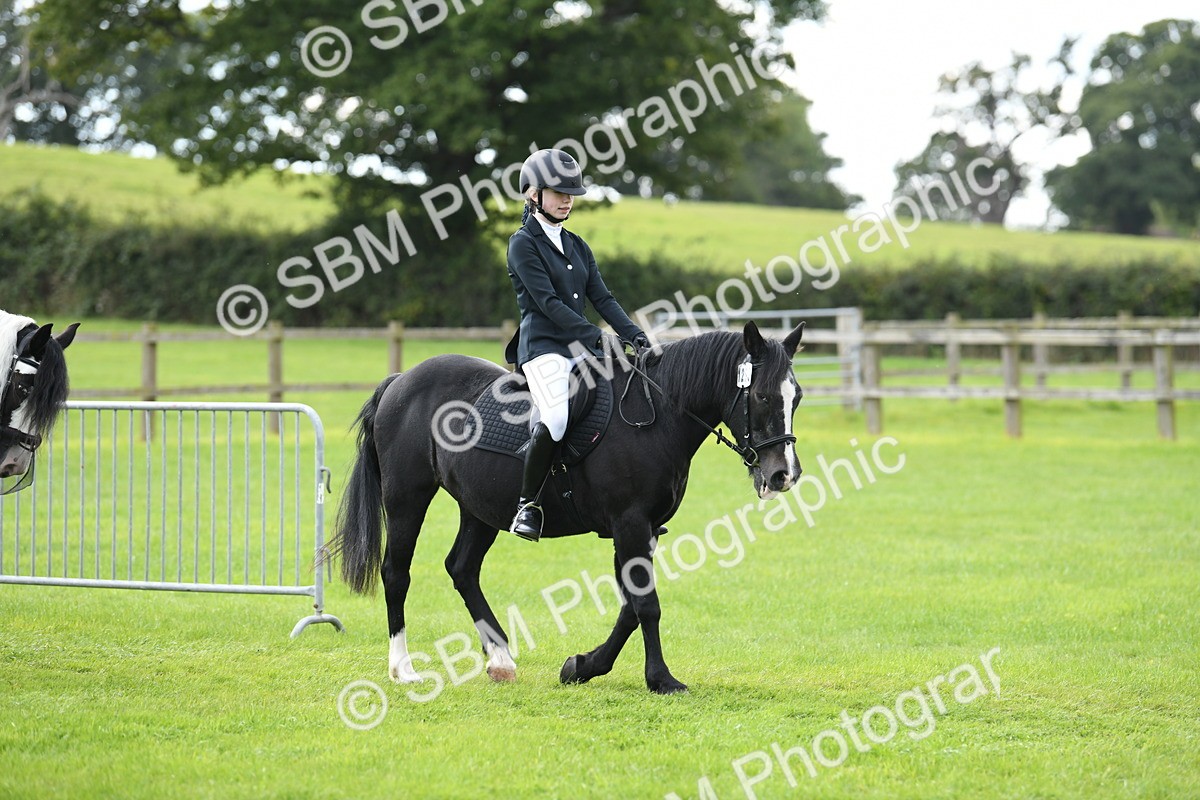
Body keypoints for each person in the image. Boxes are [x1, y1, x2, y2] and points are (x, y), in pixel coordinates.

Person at [504, 148, 650, 541]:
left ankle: (628, 499)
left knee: (626, 399)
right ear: (533, 193)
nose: (567, 199)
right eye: (558, 192)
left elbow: (602, 298)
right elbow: (549, 305)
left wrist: (635, 335)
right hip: (544, 350)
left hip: (583, 348)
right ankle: (527, 505)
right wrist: (598, 338)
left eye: (571, 193)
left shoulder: (577, 245)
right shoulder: (523, 244)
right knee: (555, 418)